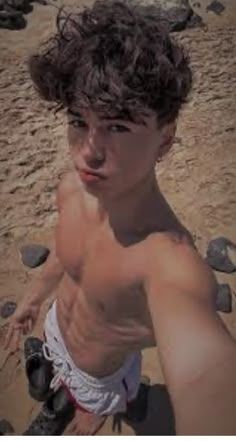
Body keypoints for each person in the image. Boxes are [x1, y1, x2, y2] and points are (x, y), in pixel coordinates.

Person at [5, 0, 236, 435]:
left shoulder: (169, 263)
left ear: (165, 140)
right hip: (56, 330)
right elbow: (64, 251)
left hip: (99, 376)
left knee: (86, 408)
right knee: (55, 381)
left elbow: (208, 376)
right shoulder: (72, 189)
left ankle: (92, 411)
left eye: (119, 126)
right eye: (79, 119)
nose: (88, 151)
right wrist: (33, 301)